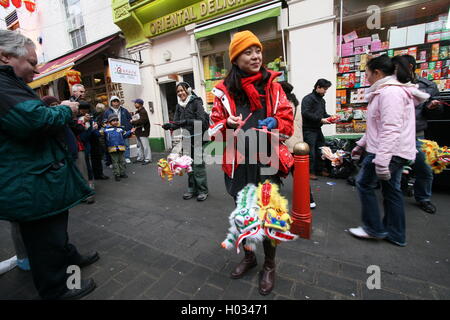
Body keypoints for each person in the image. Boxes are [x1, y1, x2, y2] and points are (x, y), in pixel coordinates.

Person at [0, 30, 98, 299]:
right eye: (31, 62)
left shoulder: (11, 84)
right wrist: (65, 109)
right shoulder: (3, 85)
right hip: (29, 182)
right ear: (5, 57)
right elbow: (34, 120)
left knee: (54, 233)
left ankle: (69, 261)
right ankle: (57, 289)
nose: (36, 68)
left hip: (38, 177)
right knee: (44, 241)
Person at [209, 30, 294, 295]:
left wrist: (276, 123)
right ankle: (249, 257)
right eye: (248, 51)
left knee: (268, 217)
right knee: (244, 216)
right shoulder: (223, 92)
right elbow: (212, 129)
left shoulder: (274, 86)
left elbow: (288, 124)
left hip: (265, 162)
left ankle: (269, 264)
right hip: (237, 163)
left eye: (257, 50)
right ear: (235, 58)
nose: (256, 56)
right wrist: (226, 124)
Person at [349, 55, 430, 247]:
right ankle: (395, 233)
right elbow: (377, 127)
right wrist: (361, 145)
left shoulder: (390, 93)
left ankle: (373, 228)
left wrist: (382, 161)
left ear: (377, 72)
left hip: (387, 152)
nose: (366, 78)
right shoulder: (389, 91)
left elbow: (390, 129)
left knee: (364, 183)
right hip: (393, 151)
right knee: (391, 190)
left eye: (367, 73)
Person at [402, 55, 443, 214]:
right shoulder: (394, 86)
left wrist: (433, 107)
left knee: (424, 168)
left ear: (410, 67)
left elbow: (437, 110)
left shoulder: (428, 86)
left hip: (417, 133)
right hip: (397, 134)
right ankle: (394, 194)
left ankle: (423, 198)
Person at [162, 82, 209, 201]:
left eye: (182, 90)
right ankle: (192, 189)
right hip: (186, 139)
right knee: (188, 165)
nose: (180, 93)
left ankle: (203, 190)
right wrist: (170, 126)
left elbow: (201, 121)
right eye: (178, 91)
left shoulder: (196, 102)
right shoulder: (179, 106)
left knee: (198, 165)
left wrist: (184, 122)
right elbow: (177, 122)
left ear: (188, 90)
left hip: (198, 137)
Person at [281, 81, 316, 209]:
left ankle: (308, 198)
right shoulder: (295, 104)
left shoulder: (285, 105)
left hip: (288, 143)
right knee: (298, 173)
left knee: (295, 173)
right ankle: (310, 199)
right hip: (297, 142)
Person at [301, 78, 333, 180]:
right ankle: (310, 172)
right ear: (318, 87)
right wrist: (321, 120)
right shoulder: (308, 99)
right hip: (308, 129)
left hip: (317, 129)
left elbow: (323, 114)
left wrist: (331, 118)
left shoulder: (322, 100)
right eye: (324, 89)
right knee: (311, 152)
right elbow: (305, 113)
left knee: (322, 150)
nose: (326, 91)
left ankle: (320, 170)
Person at [99, 114, 135, 181]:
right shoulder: (106, 130)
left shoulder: (120, 129)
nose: (115, 122)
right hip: (112, 148)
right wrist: (105, 147)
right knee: (115, 162)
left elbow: (124, 135)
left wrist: (130, 131)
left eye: (116, 120)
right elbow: (102, 139)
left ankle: (122, 173)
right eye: (113, 121)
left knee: (122, 161)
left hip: (121, 147)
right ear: (110, 122)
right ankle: (117, 174)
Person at [103, 96, 133, 164]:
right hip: (112, 131)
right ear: (111, 102)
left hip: (123, 128)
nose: (116, 103)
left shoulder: (124, 110)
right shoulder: (107, 111)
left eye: (117, 101)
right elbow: (104, 120)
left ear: (119, 102)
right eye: (114, 101)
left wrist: (129, 127)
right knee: (115, 144)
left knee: (126, 144)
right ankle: (116, 159)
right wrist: (107, 126)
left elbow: (129, 119)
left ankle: (127, 157)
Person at [131, 98, 152, 165]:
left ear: (139, 104)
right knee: (139, 145)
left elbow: (143, 121)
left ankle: (148, 159)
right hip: (138, 131)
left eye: (135, 103)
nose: (134, 104)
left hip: (143, 132)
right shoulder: (138, 111)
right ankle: (140, 158)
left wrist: (133, 122)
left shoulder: (143, 111)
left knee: (145, 146)